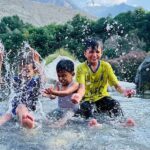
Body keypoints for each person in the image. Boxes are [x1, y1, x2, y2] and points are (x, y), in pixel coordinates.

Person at [71, 38, 135, 126]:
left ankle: (121, 122)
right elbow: (82, 88)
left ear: (101, 53)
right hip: (87, 99)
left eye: (97, 52)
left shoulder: (106, 66)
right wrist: (78, 96)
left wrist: (124, 91)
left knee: (115, 103)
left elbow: (116, 86)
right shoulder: (81, 68)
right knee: (85, 106)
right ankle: (92, 123)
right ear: (85, 53)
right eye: (91, 52)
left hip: (102, 98)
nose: (94, 55)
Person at [0, 62, 41, 129]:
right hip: (14, 110)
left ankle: (26, 121)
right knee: (7, 115)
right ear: (19, 69)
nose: (25, 74)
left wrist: (37, 62)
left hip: (29, 110)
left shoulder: (35, 82)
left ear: (34, 71)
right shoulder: (16, 80)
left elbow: (43, 79)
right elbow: (1, 81)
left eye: (28, 71)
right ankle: (25, 121)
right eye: (23, 70)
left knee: (21, 107)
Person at [42, 59, 79, 128]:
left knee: (66, 117)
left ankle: (58, 125)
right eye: (59, 76)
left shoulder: (75, 84)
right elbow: (53, 96)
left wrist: (53, 92)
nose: (61, 78)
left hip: (72, 110)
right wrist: (48, 95)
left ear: (72, 74)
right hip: (60, 109)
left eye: (64, 75)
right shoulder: (58, 84)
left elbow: (66, 93)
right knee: (47, 117)